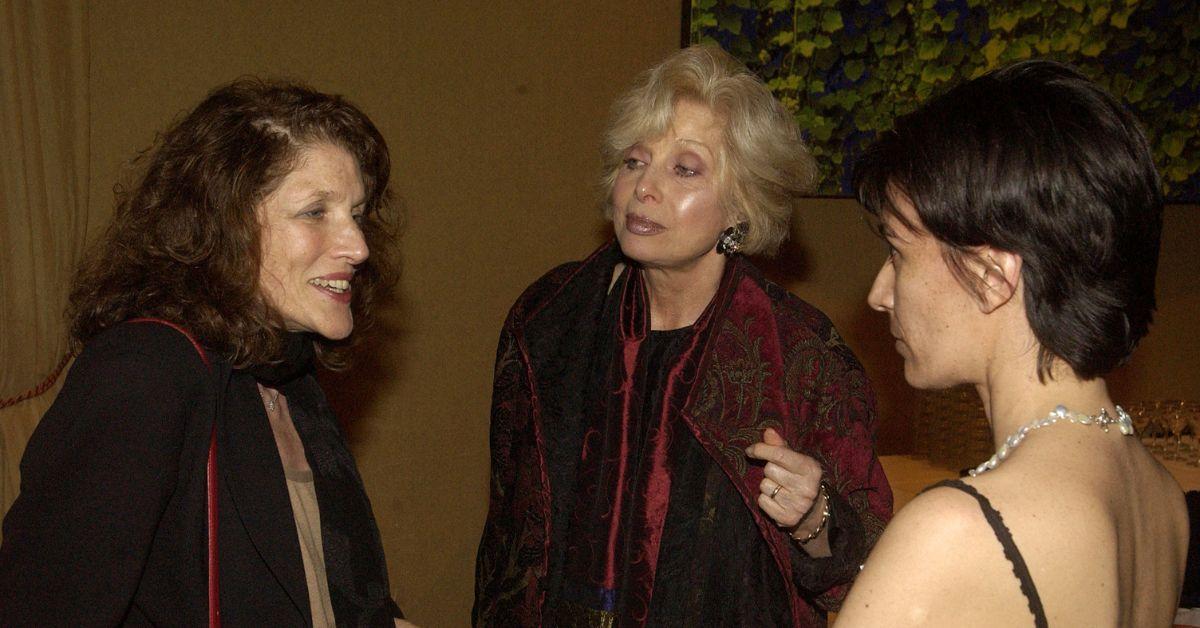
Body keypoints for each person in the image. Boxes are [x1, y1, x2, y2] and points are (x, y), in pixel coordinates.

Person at [473, 45, 892, 627]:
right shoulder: (547, 322)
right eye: (635, 161)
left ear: (739, 209)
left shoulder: (800, 356)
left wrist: (813, 519)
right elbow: (506, 546)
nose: (645, 188)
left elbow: (874, 575)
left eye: (685, 169)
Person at [0, 79, 412, 626]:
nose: (357, 246)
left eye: (356, 213)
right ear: (226, 224)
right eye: (316, 212)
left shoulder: (285, 378)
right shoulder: (146, 372)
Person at [836, 60, 1188, 626]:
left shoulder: (956, 531)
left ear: (991, 276)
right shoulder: (1161, 497)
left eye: (898, 253)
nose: (880, 293)